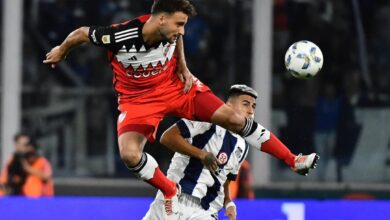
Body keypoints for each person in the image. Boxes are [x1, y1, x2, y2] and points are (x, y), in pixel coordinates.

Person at [43, 0, 318, 218]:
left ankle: (293, 159)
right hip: (138, 101)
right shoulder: (121, 35)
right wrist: (62, 51)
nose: (182, 30)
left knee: (234, 119)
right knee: (129, 155)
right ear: (161, 19)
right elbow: (81, 33)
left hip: (177, 88)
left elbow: (177, 40)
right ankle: (168, 189)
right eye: (179, 24)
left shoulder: (170, 31)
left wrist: (183, 67)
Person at [143, 85, 319, 220]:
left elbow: (225, 177)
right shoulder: (206, 119)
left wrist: (228, 201)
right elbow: (167, 137)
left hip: (206, 210)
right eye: (245, 104)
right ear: (227, 105)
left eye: (253, 106)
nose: (250, 110)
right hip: (174, 199)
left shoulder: (243, 145)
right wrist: (201, 154)